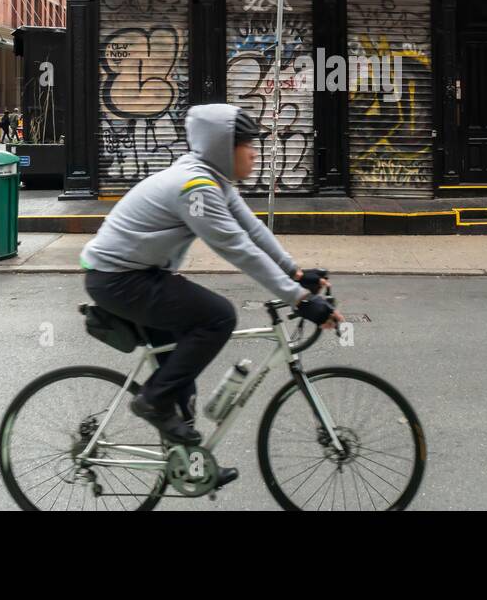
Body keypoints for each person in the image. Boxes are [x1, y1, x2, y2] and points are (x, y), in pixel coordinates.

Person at [79, 103, 343, 484]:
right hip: (118, 278)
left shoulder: (213, 179)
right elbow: (237, 248)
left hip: (135, 274)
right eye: (246, 144)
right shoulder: (196, 186)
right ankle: (151, 401)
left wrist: (296, 273)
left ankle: (191, 465)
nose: (255, 152)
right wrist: (299, 300)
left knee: (180, 379)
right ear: (223, 146)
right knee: (218, 316)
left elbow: (252, 230)